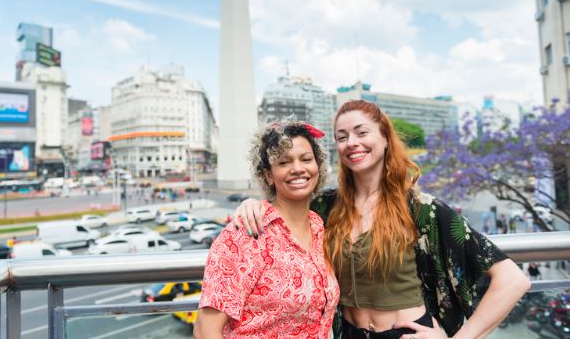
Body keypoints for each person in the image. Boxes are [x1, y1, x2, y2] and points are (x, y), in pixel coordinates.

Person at [233, 100, 531, 339]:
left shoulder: (421, 208)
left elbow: (512, 280)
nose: (352, 143)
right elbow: (284, 202)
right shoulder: (325, 206)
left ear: (385, 138)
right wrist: (254, 205)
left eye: (362, 133)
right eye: (342, 137)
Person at [194, 121, 339, 338]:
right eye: (284, 162)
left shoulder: (318, 226)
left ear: (317, 166)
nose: (298, 168)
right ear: (268, 175)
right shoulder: (245, 234)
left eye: (306, 159)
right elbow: (206, 329)